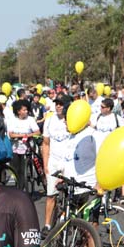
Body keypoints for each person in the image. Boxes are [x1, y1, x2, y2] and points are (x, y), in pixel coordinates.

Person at [42, 94, 75, 232]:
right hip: (53, 162)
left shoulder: (73, 121)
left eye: (61, 103)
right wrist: (45, 164)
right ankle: (47, 224)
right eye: (57, 103)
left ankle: (66, 218)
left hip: (69, 163)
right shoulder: (49, 121)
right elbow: (46, 143)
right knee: (51, 195)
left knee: (70, 195)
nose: (58, 106)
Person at [7, 100, 39, 193]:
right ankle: (18, 186)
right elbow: (11, 134)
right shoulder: (12, 120)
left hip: (27, 147)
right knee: (16, 168)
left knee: (23, 168)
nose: (26, 112)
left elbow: (37, 132)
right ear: (18, 111)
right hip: (15, 147)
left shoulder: (30, 120)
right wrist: (21, 136)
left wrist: (28, 136)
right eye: (24, 110)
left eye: (26, 110)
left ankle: (23, 188)